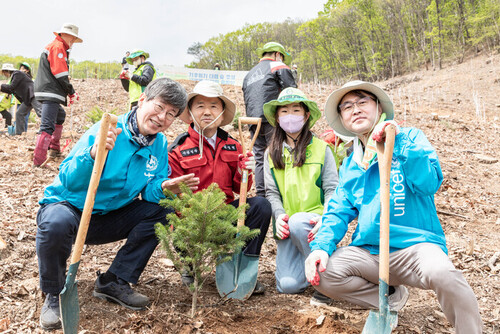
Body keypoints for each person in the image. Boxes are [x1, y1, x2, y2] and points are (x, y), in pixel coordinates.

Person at [305, 80, 483, 333]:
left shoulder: (409, 138)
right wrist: (320, 247)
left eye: (362, 102)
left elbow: (428, 183)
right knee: (323, 272)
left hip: (416, 247)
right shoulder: (350, 165)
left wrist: (396, 141)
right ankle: (391, 297)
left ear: (379, 107)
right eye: (346, 107)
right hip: (370, 252)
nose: (355, 109)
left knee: (444, 274)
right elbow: (336, 211)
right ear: (342, 119)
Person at [36, 78, 200, 330]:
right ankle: (53, 293)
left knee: (164, 210)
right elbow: (68, 177)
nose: (161, 118)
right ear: (143, 100)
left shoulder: (158, 145)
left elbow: (149, 189)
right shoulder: (108, 129)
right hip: (71, 209)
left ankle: (114, 280)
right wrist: (92, 155)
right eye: (158, 107)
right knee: (56, 222)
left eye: (171, 114)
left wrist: (164, 187)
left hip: (108, 216)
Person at [168, 80, 272, 294]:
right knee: (168, 211)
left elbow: (239, 188)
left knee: (260, 205)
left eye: (214, 105)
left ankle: (243, 269)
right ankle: (189, 266)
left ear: (222, 112)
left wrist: (245, 171)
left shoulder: (234, 146)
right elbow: (173, 194)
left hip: (224, 216)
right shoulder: (177, 149)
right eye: (200, 106)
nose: (207, 111)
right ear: (190, 111)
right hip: (191, 219)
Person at [262, 88, 338, 305]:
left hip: (314, 224)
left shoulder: (322, 149)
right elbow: (271, 192)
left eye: (296, 110)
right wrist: (278, 217)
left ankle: (326, 280)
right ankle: (311, 265)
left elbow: (333, 189)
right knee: (287, 286)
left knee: (298, 222)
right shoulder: (271, 153)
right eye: (284, 111)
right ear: (277, 118)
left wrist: (326, 217)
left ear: (306, 116)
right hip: (289, 226)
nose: (290, 116)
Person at [242, 41, 297, 197]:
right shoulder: (278, 66)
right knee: (279, 153)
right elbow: (291, 91)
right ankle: (281, 194)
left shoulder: (249, 74)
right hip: (273, 118)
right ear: (277, 54)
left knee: (260, 158)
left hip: (254, 121)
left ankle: (262, 195)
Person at [34, 23, 82, 166]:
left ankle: (54, 149)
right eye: (72, 38)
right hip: (50, 91)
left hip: (49, 90)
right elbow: (60, 73)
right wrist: (71, 91)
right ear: (64, 35)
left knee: (60, 115)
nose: (73, 41)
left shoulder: (57, 47)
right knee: (47, 126)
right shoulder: (58, 47)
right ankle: (39, 161)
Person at [1, 63, 42, 135]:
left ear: (7, 71)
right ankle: (20, 134)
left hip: (32, 94)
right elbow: (11, 89)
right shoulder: (14, 76)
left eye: (4, 73)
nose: (4, 75)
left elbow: (11, 88)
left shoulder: (17, 73)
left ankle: (48, 130)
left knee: (41, 112)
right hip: (27, 99)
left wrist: (1, 87)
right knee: (19, 113)